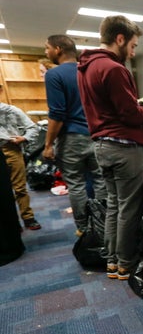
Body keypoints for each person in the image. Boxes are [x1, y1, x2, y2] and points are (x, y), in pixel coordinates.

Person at [77, 16, 143, 281]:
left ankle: (111, 261)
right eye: (133, 46)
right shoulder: (113, 68)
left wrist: (141, 102)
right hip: (124, 149)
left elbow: (114, 108)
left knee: (114, 205)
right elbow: (131, 116)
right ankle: (126, 264)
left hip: (102, 146)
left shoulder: (87, 67)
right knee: (128, 209)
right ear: (119, 39)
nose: (133, 52)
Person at [43, 34, 106, 236]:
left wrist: (48, 144)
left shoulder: (54, 75)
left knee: (77, 185)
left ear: (58, 49)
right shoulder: (89, 71)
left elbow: (57, 114)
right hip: (97, 135)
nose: (46, 52)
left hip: (72, 138)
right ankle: (105, 224)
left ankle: (85, 229)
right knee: (100, 181)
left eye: (47, 48)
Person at [0, 101, 42, 231]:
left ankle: (28, 217)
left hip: (10, 149)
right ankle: (11, 222)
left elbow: (32, 127)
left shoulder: (10, 110)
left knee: (19, 187)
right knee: (3, 191)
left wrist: (23, 138)